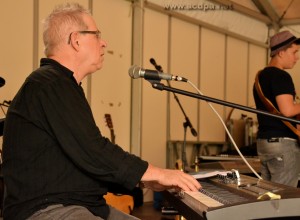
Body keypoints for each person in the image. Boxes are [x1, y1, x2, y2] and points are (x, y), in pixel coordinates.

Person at [2, 3, 201, 220]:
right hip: (48, 209)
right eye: (97, 35)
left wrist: (144, 180)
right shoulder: (48, 83)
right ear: (76, 40)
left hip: (82, 205)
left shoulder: (60, 85)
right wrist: (158, 173)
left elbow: (82, 162)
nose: (104, 42)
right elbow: (93, 151)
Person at [253, 30, 300, 187]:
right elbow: (287, 111)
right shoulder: (281, 76)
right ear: (280, 52)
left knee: (267, 195)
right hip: (282, 144)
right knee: (283, 197)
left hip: (264, 143)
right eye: (294, 52)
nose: (297, 57)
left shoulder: (260, 77)